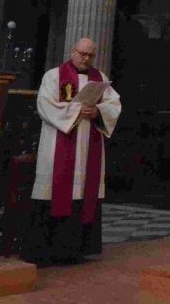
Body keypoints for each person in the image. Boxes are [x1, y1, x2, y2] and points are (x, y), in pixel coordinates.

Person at [21, 38, 122, 265]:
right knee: (54, 192)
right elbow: (45, 105)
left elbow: (114, 105)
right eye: (82, 53)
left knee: (83, 194)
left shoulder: (100, 79)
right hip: (59, 144)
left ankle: (76, 250)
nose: (86, 58)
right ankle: (45, 251)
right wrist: (78, 110)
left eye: (90, 55)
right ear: (73, 51)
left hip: (88, 147)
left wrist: (97, 111)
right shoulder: (53, 76)